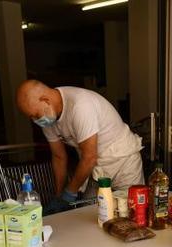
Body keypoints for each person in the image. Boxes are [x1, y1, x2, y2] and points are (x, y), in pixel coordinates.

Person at [15, 80, 144, 211]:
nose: (36, 120)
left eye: (36, 115)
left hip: (123, 159)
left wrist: (70, 192)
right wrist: (59, 195)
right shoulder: (48, 116)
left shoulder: (80, 105)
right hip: (96, 167)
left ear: (46, 100)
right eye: (32, 117)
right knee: (89, 214)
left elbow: (89, 157)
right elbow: (59, 156)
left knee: (132, 209)